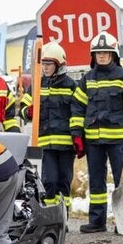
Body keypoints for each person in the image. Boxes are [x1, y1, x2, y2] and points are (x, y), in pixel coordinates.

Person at [71, 32, 123, 233]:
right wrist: (77, 134)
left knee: (122, 181)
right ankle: (97, 221)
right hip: (93, 140)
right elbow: (78, 107)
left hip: (118, 140)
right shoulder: (87, 79)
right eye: (98, 52)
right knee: (96, 181)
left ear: (114, 54)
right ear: (93, 56)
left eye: (106, 52)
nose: (102, 56)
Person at [20, 41, 79, 209]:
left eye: (49, 64)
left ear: (59, 65)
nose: (45, 68)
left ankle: (63, 215)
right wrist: (28, 112)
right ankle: (50, 216)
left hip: (67, 144)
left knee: (64, 180)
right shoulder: (37, 86)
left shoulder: (71, 86)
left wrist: (78, 137)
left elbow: (78, 112)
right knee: (49, 180)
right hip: (45, 143)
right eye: (43, 64)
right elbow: (23, 108)